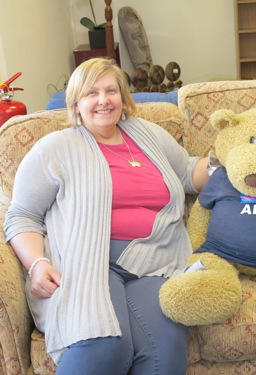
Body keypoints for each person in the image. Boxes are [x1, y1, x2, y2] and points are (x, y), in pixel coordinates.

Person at [4, 57, 210, 375]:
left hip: (156, 262)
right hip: (88, 262)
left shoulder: (146, 134)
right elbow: (22, 215)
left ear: (123, 97)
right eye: (92, 92)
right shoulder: (55, 149)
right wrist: (37, 264)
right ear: (76, 103)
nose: (103, 100)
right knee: (105, 344)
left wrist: (222, 163)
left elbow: (186, 172)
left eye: (111, 90)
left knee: (165, 356)